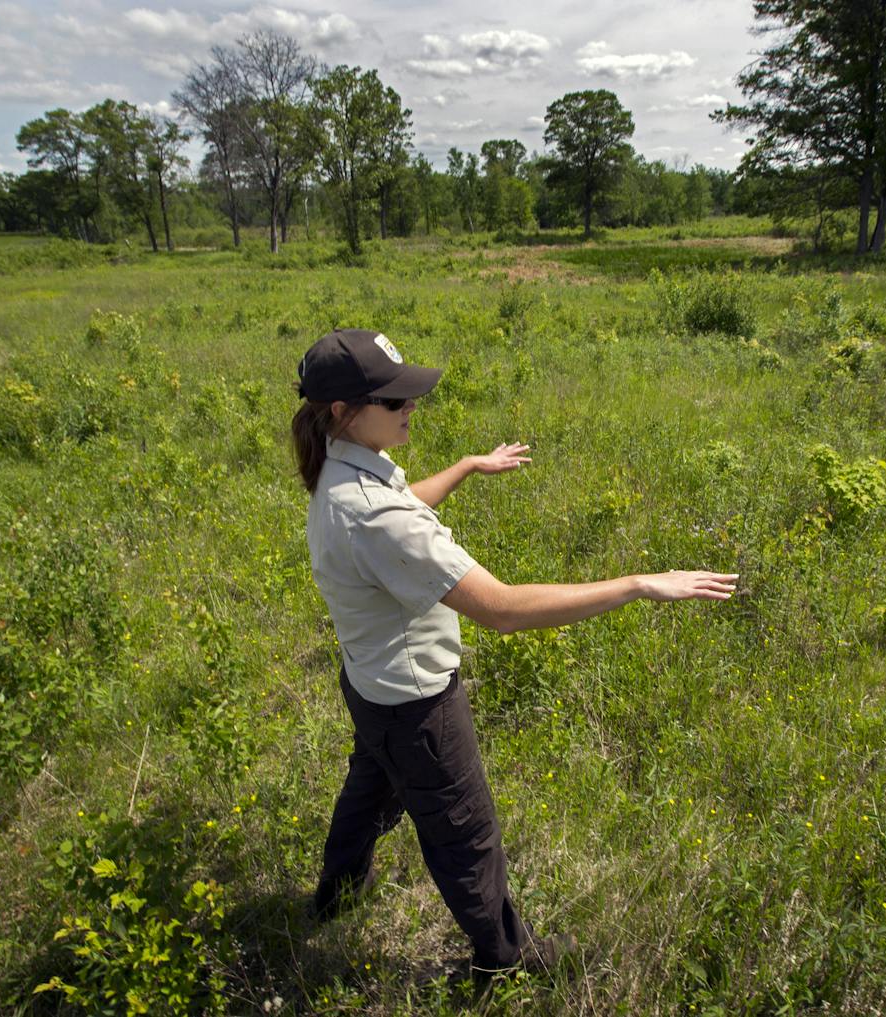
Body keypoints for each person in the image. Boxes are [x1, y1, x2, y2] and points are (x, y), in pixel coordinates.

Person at [292, 328, 737, 979]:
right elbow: (500, 608)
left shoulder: (337, 472)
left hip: (369, 685)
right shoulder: (376, 517)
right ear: (343, 410)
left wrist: (468, 466)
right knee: (466, 838)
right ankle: (504, 959)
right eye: (394, 402)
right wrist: (639, 584)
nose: (411, 407)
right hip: (419, 710)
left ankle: (334, 896)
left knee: (368, 793)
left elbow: (400, 504)